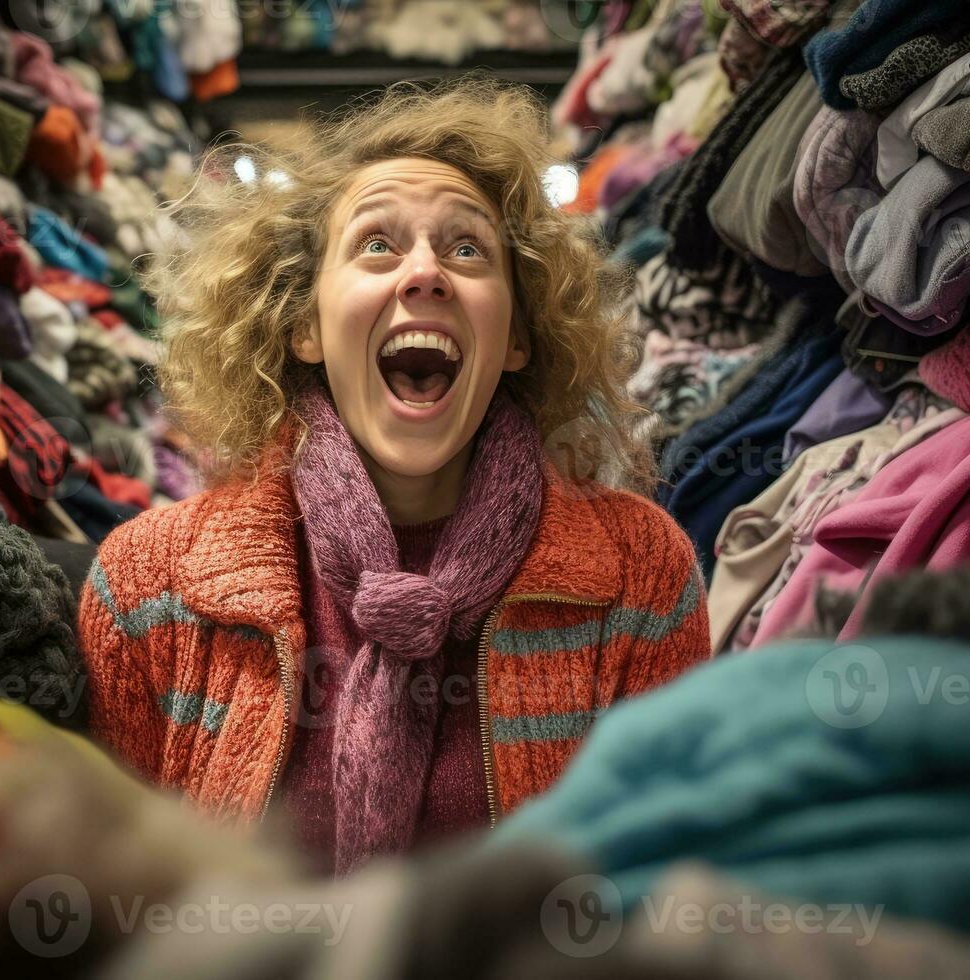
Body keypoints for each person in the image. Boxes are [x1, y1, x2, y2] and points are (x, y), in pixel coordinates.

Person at [79, 78, 711, 874]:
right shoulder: (148, 588)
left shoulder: (639, 578)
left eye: (467, 248)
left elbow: (655, 901)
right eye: (378, 243)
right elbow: (127, 917)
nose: (425, 274)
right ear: (304, 323)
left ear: (517, 334)